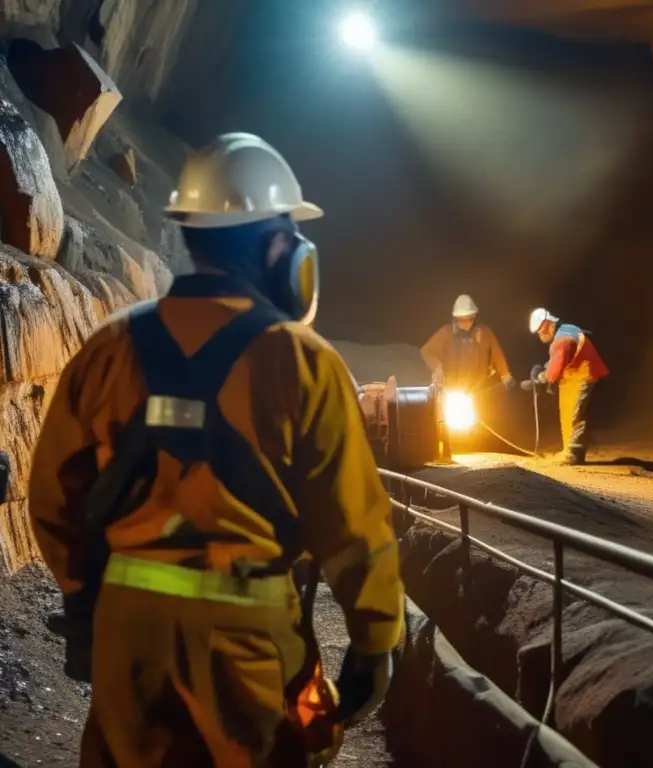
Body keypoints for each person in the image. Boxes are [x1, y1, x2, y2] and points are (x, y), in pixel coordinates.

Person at [28, 133, 405, 767]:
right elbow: (356, 528)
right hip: (248, 641)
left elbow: (52, 495)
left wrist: (87, 599)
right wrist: (374, 642)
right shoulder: (304, 362)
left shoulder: (110, 346)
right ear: (277, 246)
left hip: (130, 637)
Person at [527, 308, 609, 465]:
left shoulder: (561, 341)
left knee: (573, 414)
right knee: (568, 412)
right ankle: (570, 451)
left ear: (549, 324)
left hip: (581, 375)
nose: (540, 335)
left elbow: (553, 372)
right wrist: (545, 368)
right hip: (574, 375)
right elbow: (559, 360)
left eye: (541, 330)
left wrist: (541, 377)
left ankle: (572, 454)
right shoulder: (566, 329)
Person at [421, 294, 515, 393]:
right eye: (461, 320)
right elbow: (427, 351)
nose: (465, 323)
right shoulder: (446, 332)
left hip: (478, 389)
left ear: (474, 317)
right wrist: (437, 367)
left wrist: (505, 374)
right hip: (452, 389)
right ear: (456, 319)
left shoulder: (484, 332)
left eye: (469, 319)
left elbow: (497, 353)